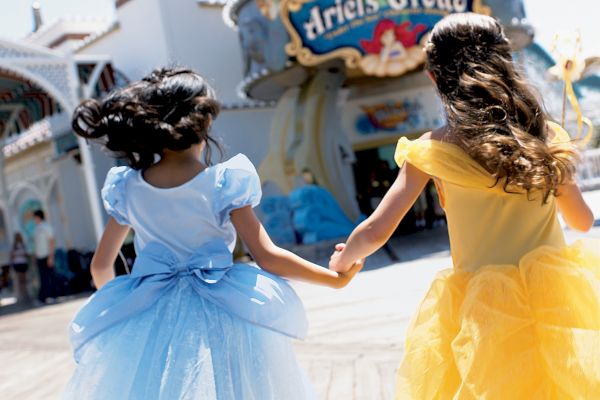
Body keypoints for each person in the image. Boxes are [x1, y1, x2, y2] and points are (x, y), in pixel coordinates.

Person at [330, 13, 600, 399]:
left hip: (481, 310)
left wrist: (344, 260)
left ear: (435, 78)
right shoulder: (544, 137)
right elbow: (583, 220)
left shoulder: (432, 150)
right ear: (506, 66)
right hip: (553, 299)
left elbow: (376, 230)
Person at [64, 67, 363, 399]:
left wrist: (130, 309)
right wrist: (333, 278)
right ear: (204, 121)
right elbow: (267, 256)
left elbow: (100, 267)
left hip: (153, 315)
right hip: (224, 312)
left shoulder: (128, 187)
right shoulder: (223, 182)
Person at [32, 209, 56, 303]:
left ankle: (53, 296)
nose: (34, 219)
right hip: (40, 257)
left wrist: (51, 256)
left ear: (38, 217)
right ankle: (43, 298)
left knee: (49, 277)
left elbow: (51, 241)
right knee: (42, 278)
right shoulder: (36, 229)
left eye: (35, 217)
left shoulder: (46, 227)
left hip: (47, 256)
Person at [9, 232, 30, 302]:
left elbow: (26, 254)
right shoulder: (14, 246)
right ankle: (22, 294)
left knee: (24, 279)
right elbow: (12, 255)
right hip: (18, 264)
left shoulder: (23, 245)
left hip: (23, 263)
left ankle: (26, 293)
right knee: (20, 279)